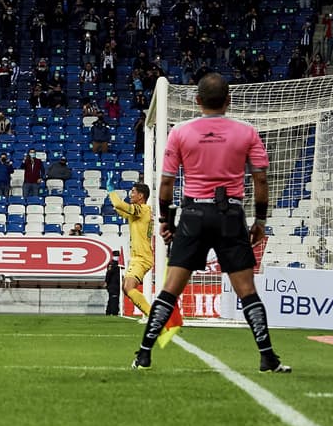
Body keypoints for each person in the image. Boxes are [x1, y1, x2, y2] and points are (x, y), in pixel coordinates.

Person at [133, 74, 290, 373]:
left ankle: (144, 354)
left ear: (198, 100)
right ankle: (267, 356)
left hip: (193, 216)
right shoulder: (247, 132)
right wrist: (259, 220)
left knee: (170, 289)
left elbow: (166, 182)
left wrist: (166, 219)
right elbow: (260, 179)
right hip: (230, 214)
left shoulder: (180, 132)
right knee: (247, 290)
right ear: (229, 100)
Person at [107, 179, 182, 335]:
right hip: (138, 257)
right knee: (127, 288)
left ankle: (154, 318)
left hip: (142, 257)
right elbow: (120, 209)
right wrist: (113, 197)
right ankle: (153, 317)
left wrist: (111, 191)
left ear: (141, 195)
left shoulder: (143, 209)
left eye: (133, 192)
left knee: (128, 287)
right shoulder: (138, 212)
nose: (131, 194)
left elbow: (121, 205)